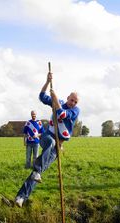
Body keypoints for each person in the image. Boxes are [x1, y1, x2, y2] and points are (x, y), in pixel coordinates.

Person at [13, 72, 80, 207]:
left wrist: (55, 98)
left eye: (75, 101)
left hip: (56, 148)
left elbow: (61, 114)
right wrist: (47, 82)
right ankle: (36, 170)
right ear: (67, 98)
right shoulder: (59, 102)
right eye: (71, 99)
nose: (73, 103)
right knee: (51, 142)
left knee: (37, 174)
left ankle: (21, 197)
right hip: (47, 137)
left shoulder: (75, 111)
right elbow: (42, 96)